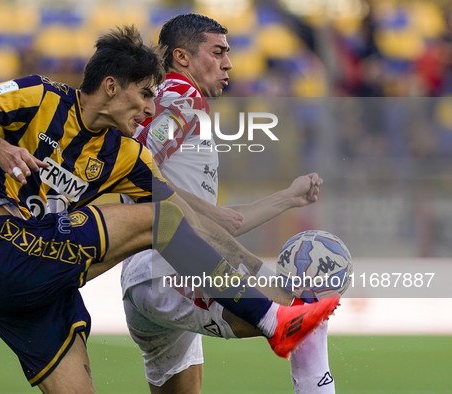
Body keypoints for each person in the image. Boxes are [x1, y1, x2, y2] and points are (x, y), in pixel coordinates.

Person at [0, 26, 339, 393]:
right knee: (157, 219)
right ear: (111, 86)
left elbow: (193, 222)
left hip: (45, 289)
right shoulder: (42, 96)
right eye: (145, 94)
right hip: (1, 247)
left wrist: (264, 275)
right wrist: (1, 148)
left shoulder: (127, 157)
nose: (150, 108)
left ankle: (274, 316)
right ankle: (272, 323)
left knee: (167, 219)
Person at [121, 14, 336, 394]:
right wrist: (203, 212)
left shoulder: (181, 107)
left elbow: (222, 226)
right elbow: (133, 166)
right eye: (217, 52)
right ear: (182, 58)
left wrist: (288, 197)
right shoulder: (181, 98)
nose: (228, 63)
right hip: (169, 269)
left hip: (156, 277)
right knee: (303, 308)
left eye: (229, 53)